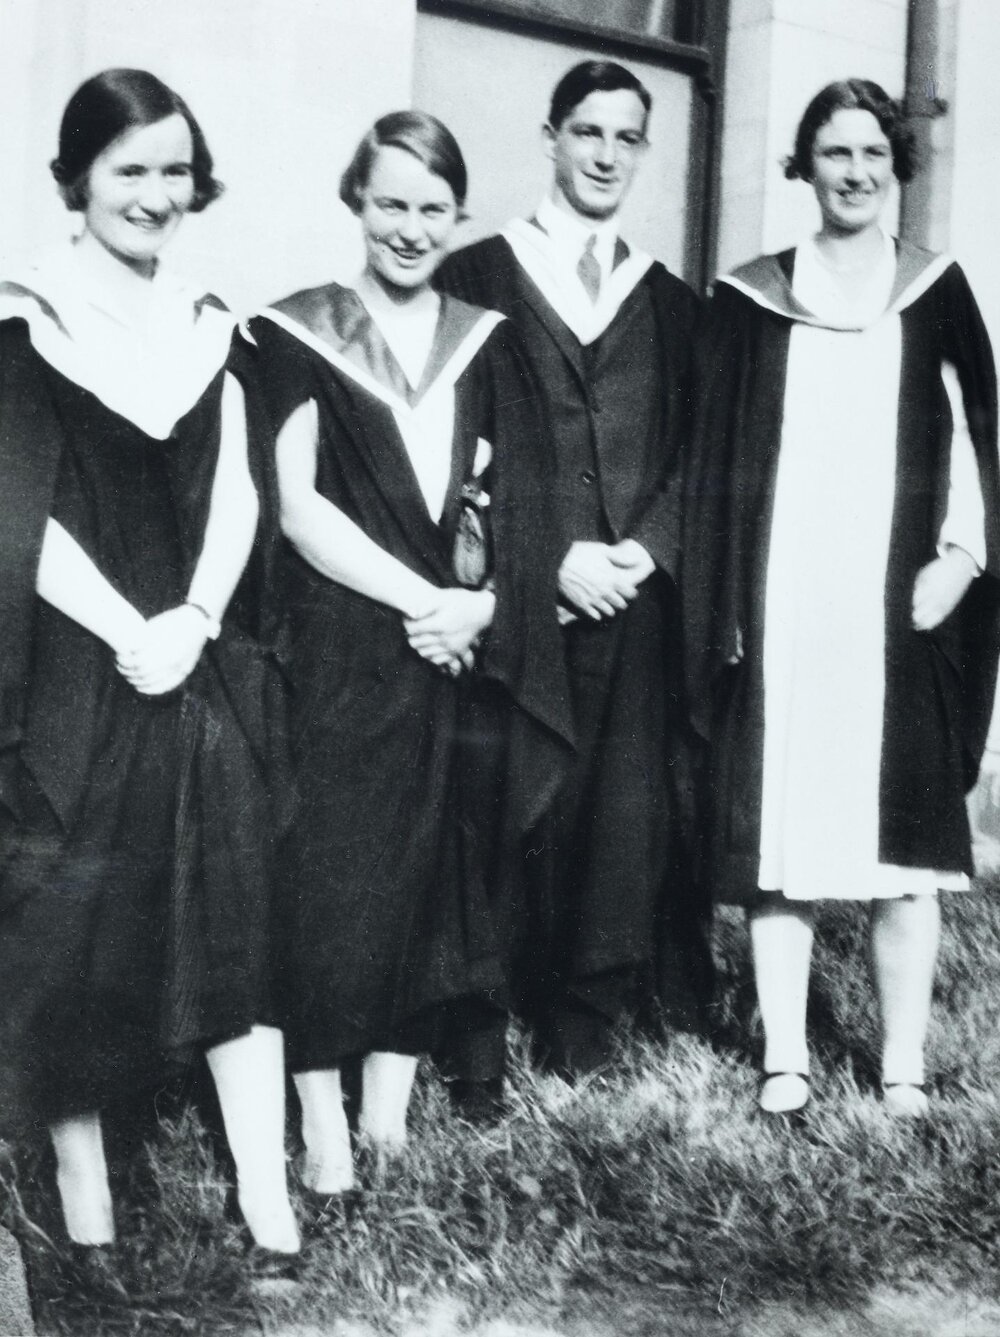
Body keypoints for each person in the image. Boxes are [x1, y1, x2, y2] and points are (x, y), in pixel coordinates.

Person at [0, 69, 301, 1282]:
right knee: (69, 929)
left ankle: (269, 1200)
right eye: (130, 169)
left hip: (193, 651)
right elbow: (20, 511)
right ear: (76, 181)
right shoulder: (25, 324)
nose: (157, 194)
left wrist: (194, 617)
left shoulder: (209, 324)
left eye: (175, 170)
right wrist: (129, 624)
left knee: (236, 916)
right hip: (77, 664)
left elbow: (238, 487)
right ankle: (85, 1209)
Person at [246, 111, 571, 1193]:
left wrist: (478, 607)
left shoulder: (488, 341)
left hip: (455, 650)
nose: (409, 226)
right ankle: (325, 1126)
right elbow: (295, 508)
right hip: (345, 646)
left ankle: (386, 1119)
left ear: (457, 217)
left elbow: (517, 502)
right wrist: (426, 598)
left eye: (432, 207)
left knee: (436, 878)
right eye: (390, 201)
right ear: (356, 202)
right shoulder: (295, 334)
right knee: (337, 884)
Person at [683, 79, 1000, 1116]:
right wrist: (726, 596)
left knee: (903, 847)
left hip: (897, 607)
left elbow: (976, 444)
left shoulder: (937, 290)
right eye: (833, 154)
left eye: (871, 153)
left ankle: (901, 1059)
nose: (854, 172)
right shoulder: (750, 298)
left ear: (895, 163)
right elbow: (717, 460)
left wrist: (959, 557)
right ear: (803, 166)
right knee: (785, 843)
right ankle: (786, 1055)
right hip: (784, 600)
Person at [435, 60, 710, 1085]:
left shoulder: (673, 307)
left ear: (643, 149)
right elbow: (449, 445)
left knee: (615, 807)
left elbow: (702, 455)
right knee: (511, 798)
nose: (604, 154)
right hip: (521, 591)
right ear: (550, 136)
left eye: (625, 137)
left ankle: (584, 1023)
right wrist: (546, 552)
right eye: (586, 131)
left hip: (633, 598)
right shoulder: (476, 279)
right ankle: (480, 1023)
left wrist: (645, 550)